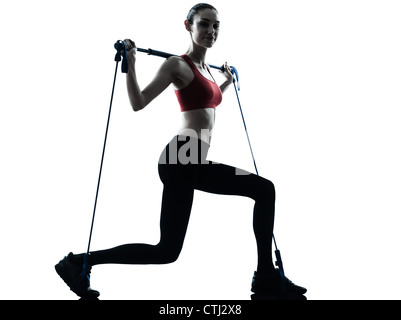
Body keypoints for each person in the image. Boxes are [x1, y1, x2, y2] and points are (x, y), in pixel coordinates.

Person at [55, 3, 306, 299]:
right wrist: (132, 63)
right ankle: (78, 263)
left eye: (216, 26)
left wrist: (225, 81)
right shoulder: (177, 64)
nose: (211, 31)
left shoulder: (206, 71)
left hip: (196, 161)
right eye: (204, 24)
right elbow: (139, 102)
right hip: (180, 157)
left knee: (264, 189)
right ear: (188, 26)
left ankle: (266, 276)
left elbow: (208, 101)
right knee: (166, 251)